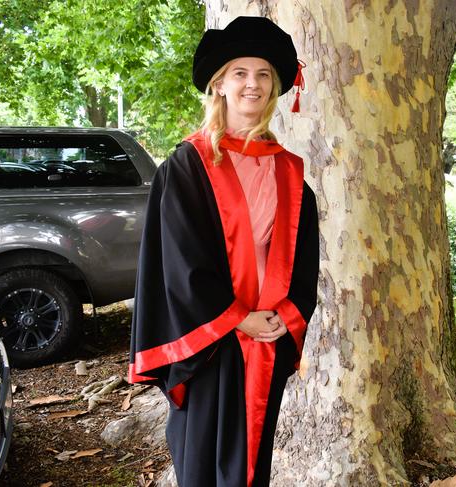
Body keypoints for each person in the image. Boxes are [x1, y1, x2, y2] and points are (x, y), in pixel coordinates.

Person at [128, 16, 319, 487]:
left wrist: (286, 316)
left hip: (268, 335)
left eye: (263, 75)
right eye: (240, 73)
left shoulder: (290, 173)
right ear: (219, 84)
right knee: (204, 455)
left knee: (252, 457)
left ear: (275, 87)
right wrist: (237, 318)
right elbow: (180, 259)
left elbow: (304, 255)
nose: (251, 84)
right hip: (212, 341)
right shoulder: (188, 165)